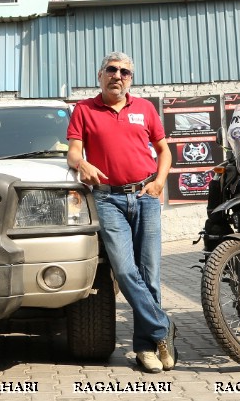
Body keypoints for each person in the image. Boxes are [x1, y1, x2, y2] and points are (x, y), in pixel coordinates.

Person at [66, 52, 176, 373]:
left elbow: (164, 151)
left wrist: (158, 182)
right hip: (107, 200)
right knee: (126, 272)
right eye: (111, 70)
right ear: (100, 75)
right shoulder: (84, 110)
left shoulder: (144, 109)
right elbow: (73, 152)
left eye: (125, 72)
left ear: (131, 78)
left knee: (150, 275)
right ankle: (163, 329)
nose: (118, 75)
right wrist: (82, 162)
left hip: (145, 196)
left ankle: (147, 348)